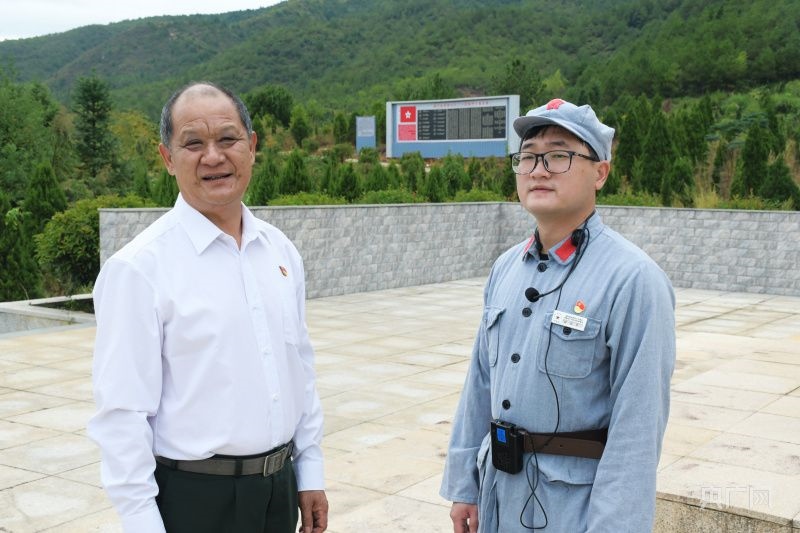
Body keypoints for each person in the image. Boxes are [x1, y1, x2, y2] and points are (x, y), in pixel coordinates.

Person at [88, 82, 328, 533]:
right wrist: (142, 522)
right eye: (193, 143)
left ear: (251, 147)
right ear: (167, 158)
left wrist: (309, 470)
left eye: (228, 139)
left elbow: (300, 368)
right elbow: (122, 414)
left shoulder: (279, 251)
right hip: (195, 500)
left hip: (280, 490)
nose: (213, 156)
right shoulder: (139, 269)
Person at [440, 98, 675, 532]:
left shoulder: (633, 279)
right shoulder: (506, 267)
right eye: (528, 157)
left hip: (571, 508)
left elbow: (638, 427)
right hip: (498, 496)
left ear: (600, 172)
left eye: (559, 156)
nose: (539, 170)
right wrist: (464, 484)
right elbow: (480, 383)